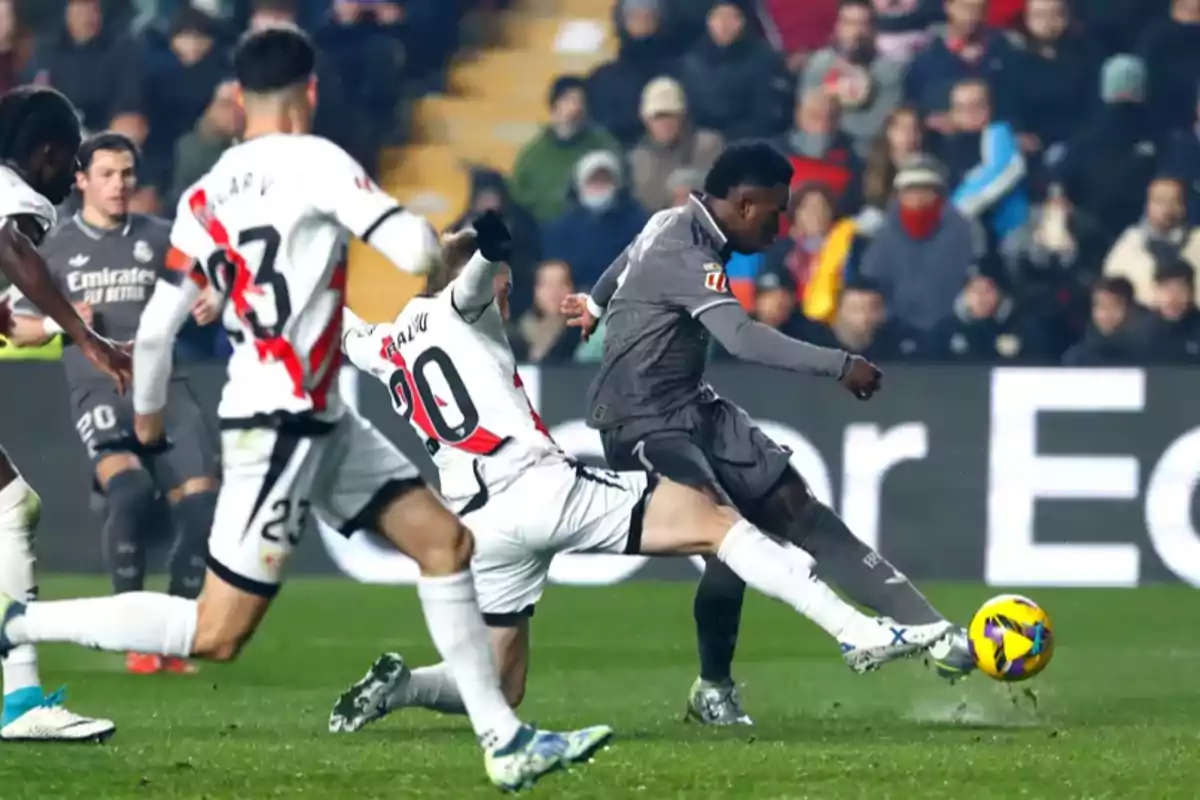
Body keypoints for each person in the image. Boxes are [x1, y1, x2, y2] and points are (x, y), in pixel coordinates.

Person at [0, 27, 609, 790]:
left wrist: (148, 422)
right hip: (282, 420)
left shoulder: (202, 195)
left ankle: (504, 740)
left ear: (238, 99)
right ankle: (17, 626)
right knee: (215, 632)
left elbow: (156, 328)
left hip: (312, 414)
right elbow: (415, 255)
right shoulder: (319, 162)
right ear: (310, 91)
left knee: (445, 544)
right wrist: (440, 244)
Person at [328, 218, 953, 734]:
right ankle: (857, 632)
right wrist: (492, 242)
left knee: (503, 684)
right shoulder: (465, 306)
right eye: (507, 287)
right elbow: (470, 282)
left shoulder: (383, 346)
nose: (508, 297)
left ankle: (403, 686)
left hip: (478, 520)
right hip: (538, 487)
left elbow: (338, 328)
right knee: (717, 521)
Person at [560, 142, 972, 726]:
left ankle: (934, 632)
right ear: (744, 203)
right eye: (776, 213)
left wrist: (595, 305)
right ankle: (713, 689)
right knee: (724, 539)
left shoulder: (669, 220)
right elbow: (744, 339)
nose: (780, 227)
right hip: (640, 421)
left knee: (803, 513)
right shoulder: (685, 251)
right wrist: (839, 364)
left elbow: (626, 259)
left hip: (693, 405)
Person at [8, 132, 219, 676]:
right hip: (97, 388)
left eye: (127, 174)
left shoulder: (160, 235)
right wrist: (67, 321)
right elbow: (16, 330)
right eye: (107, 174)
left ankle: (174, 638)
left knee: (201, 508)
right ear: (79, 181)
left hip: (164, 388)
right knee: (129, 493)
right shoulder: (47, 245)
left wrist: (211, 298)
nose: (120, 184)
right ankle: (135, 643)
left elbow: (207, 282)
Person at [0, 85, 129, 741]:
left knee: (11, 507)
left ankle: (19, 700)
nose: (72, 180)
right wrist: (89, 339)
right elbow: (13, 250)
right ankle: (19, 704)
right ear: (48, 155)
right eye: (69, 163)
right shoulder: (21, 200)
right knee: (10, 509)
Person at [801, 0, 905, 158]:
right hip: (821, 151)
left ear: (873, 29)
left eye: (863, 24)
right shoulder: (819, 65)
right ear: (838, 26)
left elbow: (877, 125)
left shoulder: (887, 71)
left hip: (868, 154)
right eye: (849, 23)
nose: (856, 32)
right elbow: (807, 118)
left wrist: (835, 112)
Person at [1103, 177, 1200, 307]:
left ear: (1183, 207)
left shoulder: (1196, 241)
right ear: (1148, 205)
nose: (1166, 209)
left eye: (1173, 201)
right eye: (1159, 201)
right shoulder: (1130, 242)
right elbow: (1111, 287)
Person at [1061, 277, 1148, 366]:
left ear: (1130, 309)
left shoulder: (1146, 354)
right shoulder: (1076, 358)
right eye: (1100, 307)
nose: (1106, 314)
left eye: (1114, 306)